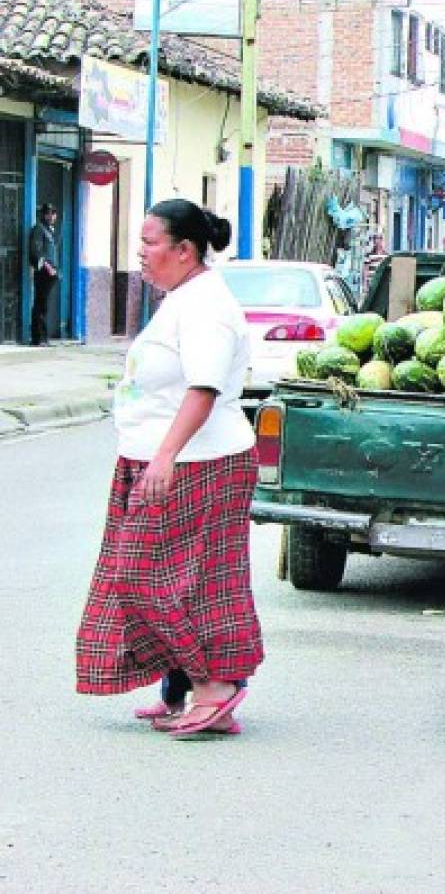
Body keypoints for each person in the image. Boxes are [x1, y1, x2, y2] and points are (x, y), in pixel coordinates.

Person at [76, 198, 262, 738]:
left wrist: (164, 457)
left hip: (198, 464)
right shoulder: (184, 298)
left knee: (158, 577)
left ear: (184, 250)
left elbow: (202, 389)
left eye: (150, 244)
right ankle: (189, 687)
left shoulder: (205, 306)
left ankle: (216, 688)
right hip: (163, 461)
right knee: (174, 578)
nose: (142, 255)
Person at [28, 203, 59, 346]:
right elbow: (37, 252)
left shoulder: (49, 231)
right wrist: (48, 267)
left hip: (50, 273)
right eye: (49, 213)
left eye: (53, 213)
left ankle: (43, 337)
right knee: (40, 304)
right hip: (43, 273)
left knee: (44, 305)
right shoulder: (38, 230)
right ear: (44, 215)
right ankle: (38, 338)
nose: (52, 216)